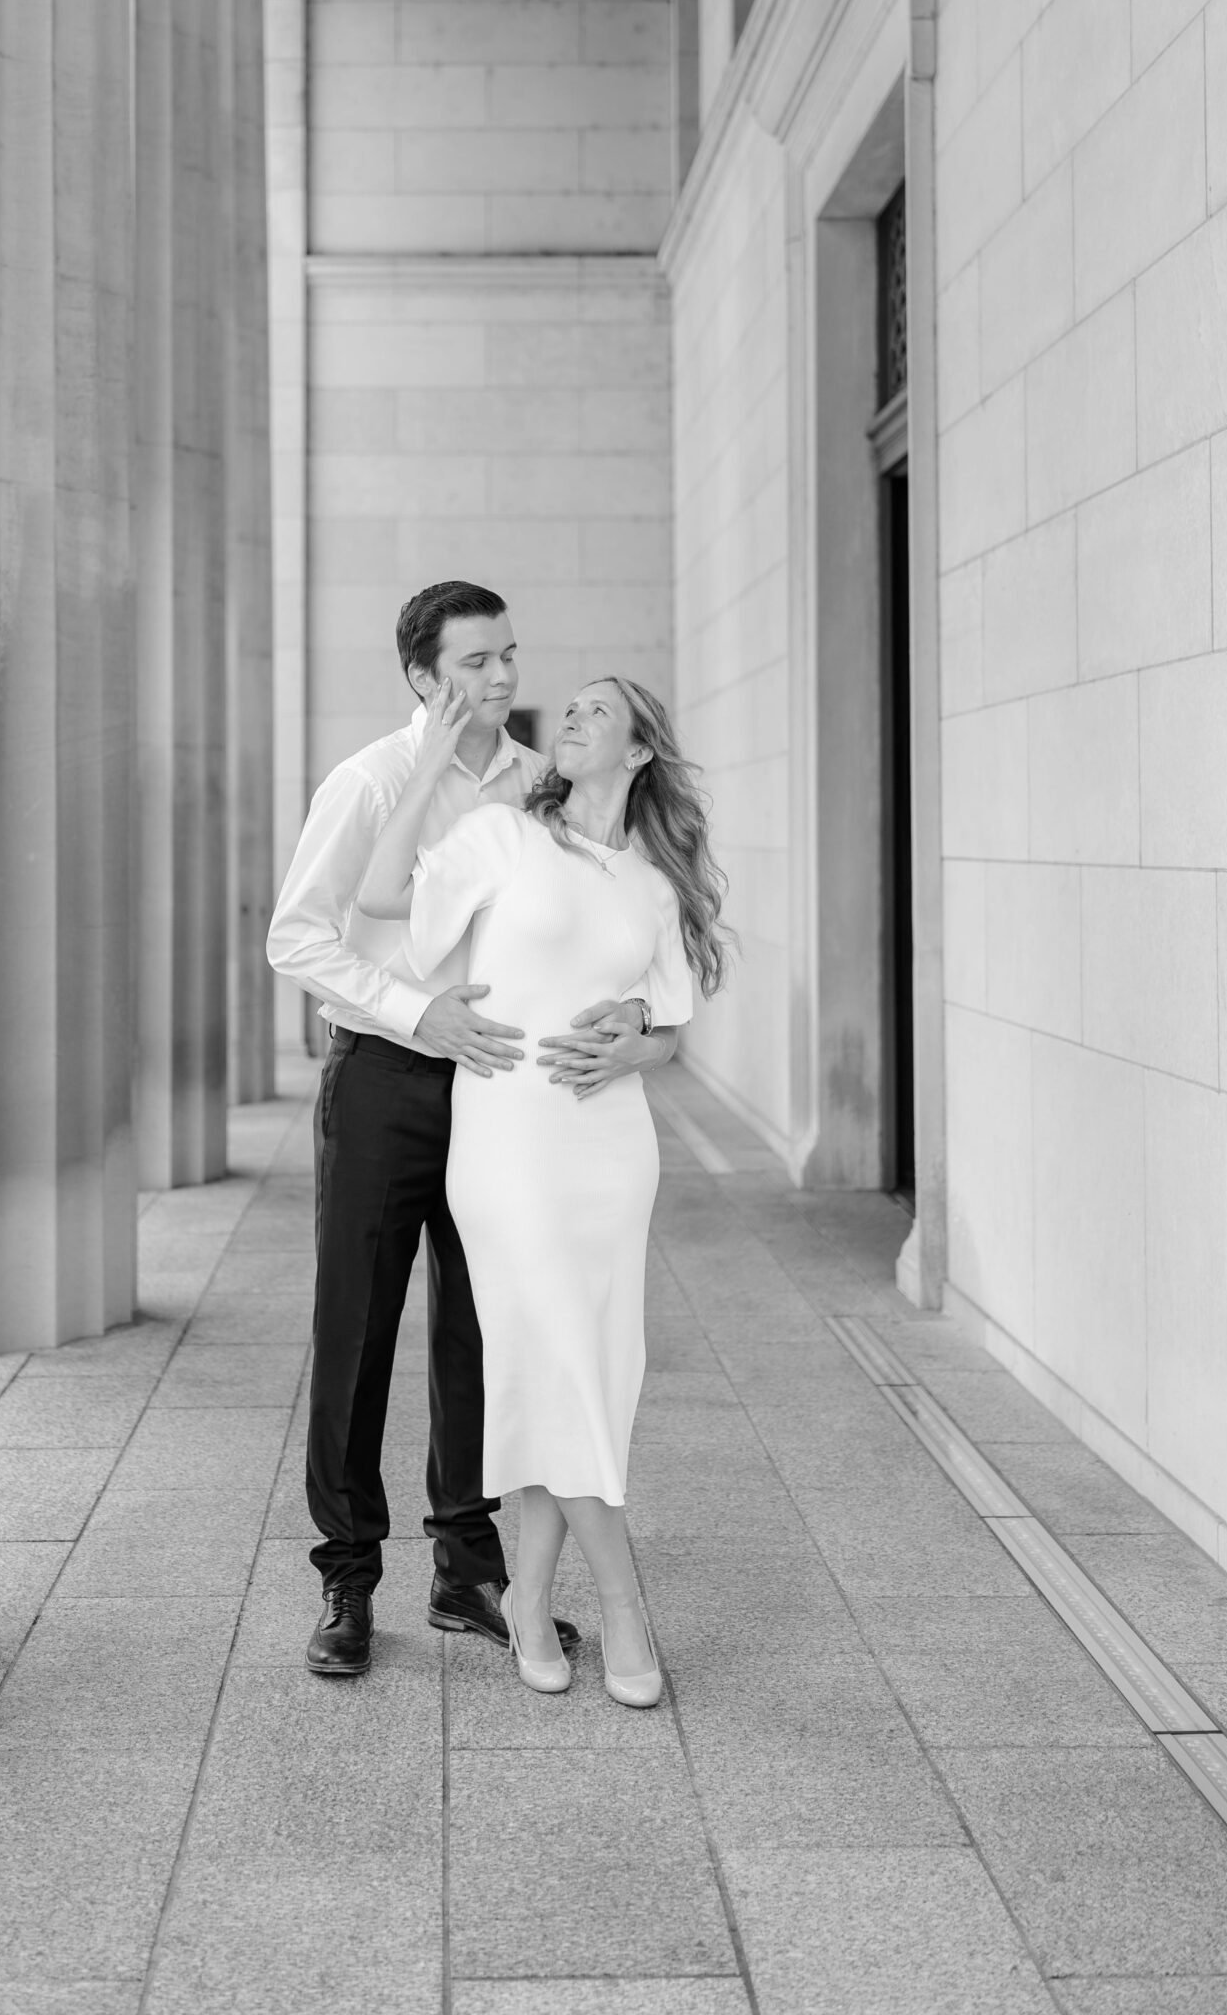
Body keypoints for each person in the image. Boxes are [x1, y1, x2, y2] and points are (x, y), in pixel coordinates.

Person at [267, 582, 672, 1678]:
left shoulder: (538, 786)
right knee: (356, 1326)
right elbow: (295, 939)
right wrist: (417, 1010)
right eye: (476, 663)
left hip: (502, 1097)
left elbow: (600, 909)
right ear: (422, 678)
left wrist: (637, 1011)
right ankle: (348, 1579)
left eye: (508, 656)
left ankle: (468, 1567)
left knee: (484, 1334)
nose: (501, 680)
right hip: (387, 1077)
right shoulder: (369, 783)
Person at [358, 672, 731, 1706]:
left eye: (595, 710)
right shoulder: (502, 836)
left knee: (581, 1370)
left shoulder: (656, 884)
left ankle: (525, 1598)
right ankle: (623, 1609)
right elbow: (382, 895)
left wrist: (631, 1046)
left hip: (610, 1154)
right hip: (507, 1140)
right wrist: (431, 758)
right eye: (565, 707)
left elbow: (667, 1026)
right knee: (562, 1357)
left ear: (640, 749)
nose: (568, 716)